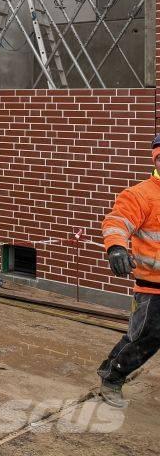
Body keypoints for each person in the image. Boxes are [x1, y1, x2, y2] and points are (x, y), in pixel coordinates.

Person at [97, 134, 160, 408]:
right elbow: (116, 222)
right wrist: (116, 248)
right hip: (152, 288)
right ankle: (112, 377)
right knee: (144, 338)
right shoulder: (140, 194)